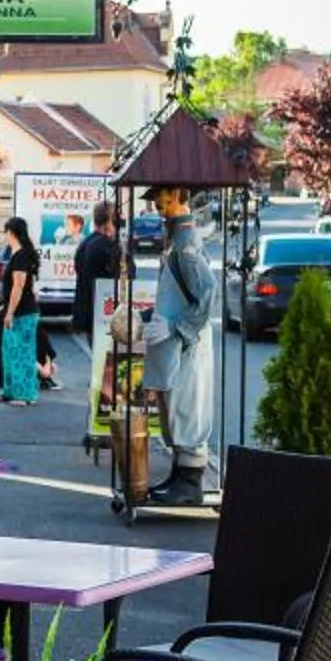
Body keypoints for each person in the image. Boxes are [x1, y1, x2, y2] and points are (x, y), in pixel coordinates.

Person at [139, 185, 219, 503]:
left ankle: (189, 480)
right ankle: (180, 473)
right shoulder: (177, 240)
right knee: (175, 407)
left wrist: (176, 327)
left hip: (187, 343)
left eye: (164, 198)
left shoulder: (185, 242)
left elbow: (208, 292)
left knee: (186, 408)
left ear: (180, 196)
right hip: (179, 342)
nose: (158, 205)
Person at [0, 217, 43, 406]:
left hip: (22, 312)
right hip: (18, 310)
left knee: (22, 353)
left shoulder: (21, 256)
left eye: (6, 233)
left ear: (11, 233)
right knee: (10, 351)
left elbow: (19, 285)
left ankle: (24, 394)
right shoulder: (18, 255)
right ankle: (10, 390)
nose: (5, 237)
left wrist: (10, 312)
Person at [70, 205, 123, 339]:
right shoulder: (107, 245)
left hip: (88, 310)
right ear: (110, 221)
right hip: (104, 311)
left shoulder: (85, 243)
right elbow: (123, 275)